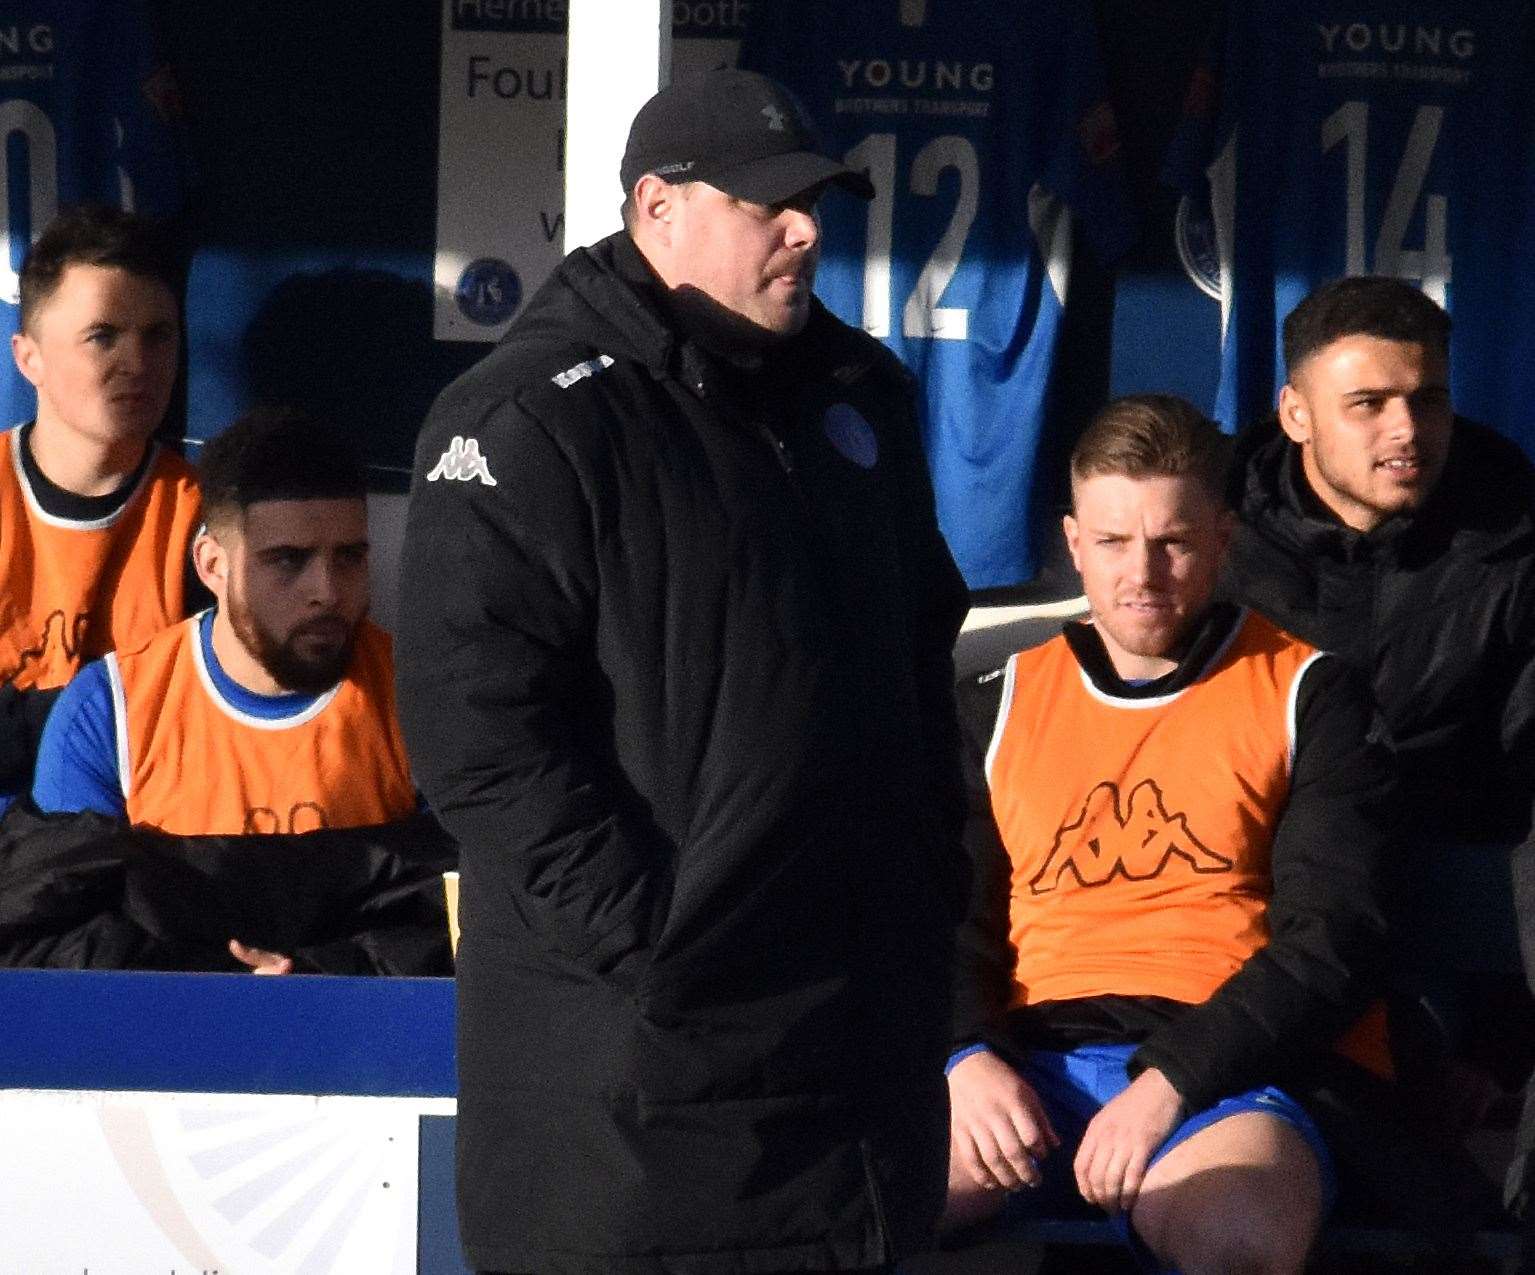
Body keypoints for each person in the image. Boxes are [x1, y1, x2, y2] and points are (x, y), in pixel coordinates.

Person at [395, 68, 970, 1275]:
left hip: (855, 1085)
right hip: (631, 1108)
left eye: (813, 200)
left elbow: (922, 656)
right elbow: (478, 742)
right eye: (768, 205)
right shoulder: (524, 421)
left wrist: (923, 891)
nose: (806, 229)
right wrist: (662, 944)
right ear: (656, 209)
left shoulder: (859, 397)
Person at [948, 395, 1395, 1272]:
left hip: (1230, 1072)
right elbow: (934, 913)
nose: (1141, 573)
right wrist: (963, 1051)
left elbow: (1335, 939)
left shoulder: (1309, 692)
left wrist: (1168, 1085)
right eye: (1113, 543)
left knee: (1232, 1237)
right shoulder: (996, 701)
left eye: (1172, 542)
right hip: (1023, 1066)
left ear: (1222, 540)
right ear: (1074, 544)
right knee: (821, 1199)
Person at [1222, 277, 1535, 1217]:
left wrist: (1499, 1037)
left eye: (1426, 397)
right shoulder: (1210, 538)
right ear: (1295, 413)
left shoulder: (1513, 543)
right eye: (1367, 403)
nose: (1406, 429)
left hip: (1425, 936)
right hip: (1236, 930)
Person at [31, 406, 421, 974]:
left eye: (350, 558)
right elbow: (62, 933)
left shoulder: (420, 697)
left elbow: (463, 912)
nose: (327, 592)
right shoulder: (109, 711)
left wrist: (329, 970)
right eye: (287, 561)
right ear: (212, 564)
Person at [1, 204, 203, 805]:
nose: (137, 364)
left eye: (158, 335)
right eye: (103, 336)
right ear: (27, 357)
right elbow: (146, 722)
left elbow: (196, 733)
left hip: (132, 860)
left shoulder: (208, 520)